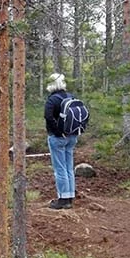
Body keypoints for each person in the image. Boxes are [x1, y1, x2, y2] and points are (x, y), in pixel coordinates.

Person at [44, 73, 78, 209]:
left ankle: (63, 200)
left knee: (60, 169)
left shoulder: (52, 99)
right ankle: (69, 196)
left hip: (58, 138)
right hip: (72, 137)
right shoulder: (70, 96)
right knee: (69, 167)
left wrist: (58, 132)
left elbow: (48, 117)